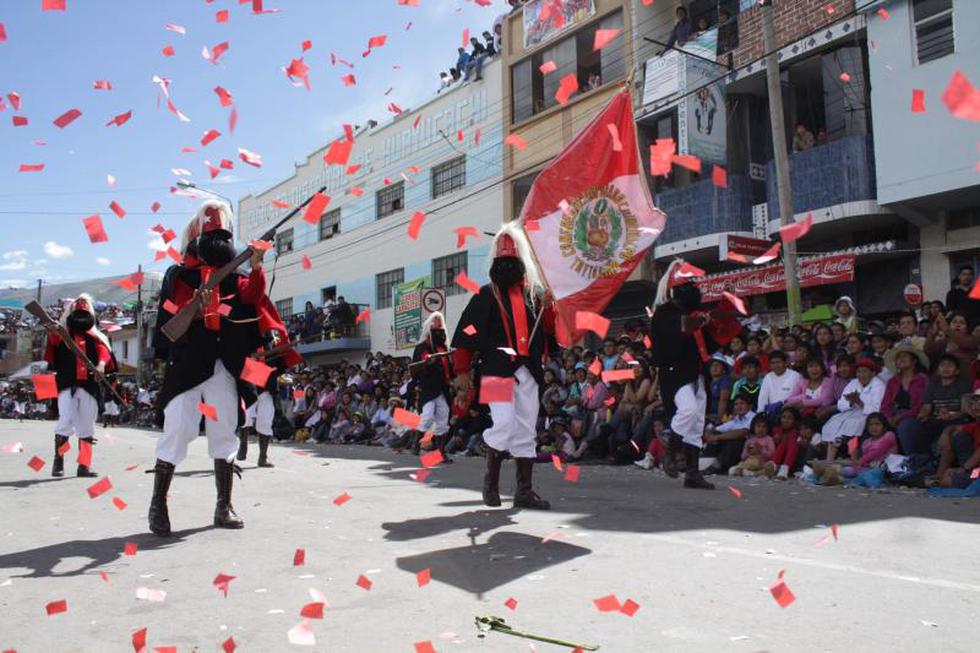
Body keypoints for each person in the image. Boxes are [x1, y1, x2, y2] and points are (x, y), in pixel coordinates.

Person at [149, 200, 298, 537]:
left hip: (224, 364)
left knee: (225, 431)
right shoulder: (179, 275)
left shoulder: (237, 273)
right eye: (211, 230)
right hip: (188, 363)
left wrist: (257, 264)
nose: (218, 237)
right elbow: (169, 316)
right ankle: (158, 503)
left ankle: (223, 505)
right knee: (179, 429)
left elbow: (253, 297)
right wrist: (195, 308)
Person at [451, 222, 554, 510]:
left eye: (512, 260)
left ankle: (524, 491)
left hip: (528, 372)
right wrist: (461, 372)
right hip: (495, 371)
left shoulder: (536, 296)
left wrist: (550, 307)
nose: (507, 265)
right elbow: (467, 335)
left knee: (525, 431)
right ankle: (490, 480)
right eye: (502, 260)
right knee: (505, 423)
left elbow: (551, 331)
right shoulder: (484, 295)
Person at [650, 259, 739, 489]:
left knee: (697, 424)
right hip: (674, 373)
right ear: (675, 290)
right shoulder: (664, 312)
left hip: (697, 373)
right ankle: (671, 451)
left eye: (694, 285)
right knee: (687, 410)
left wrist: (725, 306)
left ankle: (692, 473)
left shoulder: (695, 313)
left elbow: (715, 334)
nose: (694, 290)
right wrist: (700, 320)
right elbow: (675, 335)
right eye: (687, 286)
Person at [43, 294, 114, 478]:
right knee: (66, 420)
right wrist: (53, 330)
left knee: (87, 425)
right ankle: (58, 462)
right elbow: (52, 341)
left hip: (90, 386)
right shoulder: (61, 334)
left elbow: (104, 353)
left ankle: (84, 465)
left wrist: (100, 366)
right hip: (67, 384)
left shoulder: (96, 336)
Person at [905, 354, 972, 455]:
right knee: (918, 428)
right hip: (937, 418)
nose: (946, 368)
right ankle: (923, 460)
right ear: (937, 371)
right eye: (943, 365)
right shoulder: (932, 385)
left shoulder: (963, 385)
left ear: (957, 371)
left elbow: (964, 410)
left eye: (950, 365)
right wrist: (923, 415)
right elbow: (926, 407)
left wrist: (951, 416)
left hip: (957, 419)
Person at [820, 358, 885, 460]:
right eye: (859, 372)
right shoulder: (853, 383)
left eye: (864, 371)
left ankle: (853, 459)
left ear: (872, 373)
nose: (861, 375)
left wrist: (860, 402)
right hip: (850, 412)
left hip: (867, 414)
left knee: (853, 426)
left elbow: (877, 407)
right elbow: (841, 403)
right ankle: (829, 460)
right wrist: (850, 402)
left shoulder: (878, 385)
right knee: (834, 423)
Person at [412, 311, 453, 456]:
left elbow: (450, 368)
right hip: (428, 388)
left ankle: (441, 452)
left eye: (440, 320)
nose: (438, 322)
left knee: (443, 418)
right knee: (427, 416)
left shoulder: (445, 347)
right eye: (435, 320)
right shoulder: (422, 347)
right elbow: (416, 368)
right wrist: (428, 362)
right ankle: (416, 445)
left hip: (442, 388)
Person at [880, 343, 930, 453]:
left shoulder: (922, 380)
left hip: (914, 415)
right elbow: (885, 405)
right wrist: (888, 417)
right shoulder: (892, 381)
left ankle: (911, 459)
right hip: (894, 415)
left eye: (905, 356)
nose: (901, 359)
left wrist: (900, 417)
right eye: (898, 357)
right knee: (874, 424)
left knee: (905, 426)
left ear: (914, 361)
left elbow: (920, 405)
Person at [702, 394, 756, 475]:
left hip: (748, 451)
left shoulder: (753, 417)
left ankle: (718, 466)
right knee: (716, 434)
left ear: (750, 406)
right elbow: (717, 429)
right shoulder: (736, 419)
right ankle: (700, 463)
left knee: (736, 440)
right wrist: (709, 432)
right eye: (736, 404)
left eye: (742, 403)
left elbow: (743, 432)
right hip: (733, 452)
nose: (739, 406)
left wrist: (718, 437)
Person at [936, 389, 980, 488]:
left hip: (977, 472)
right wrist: (945, 434)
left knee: (948, 480)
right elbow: (954, 428)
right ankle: (939, 477)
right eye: (975, 401)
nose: (976, 406)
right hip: (975, 469)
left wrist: (963, 469)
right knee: (958, 436)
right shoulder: (976, 426)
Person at [757, 350, 803, 418]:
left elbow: (801, 396)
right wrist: (760, 414)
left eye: (778, 362)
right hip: (771, 413)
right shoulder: (768, 377)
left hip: (791, 412)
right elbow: (762, 398)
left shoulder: (796, 376)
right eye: (773, 363)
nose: (776, 365)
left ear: (785, 363)